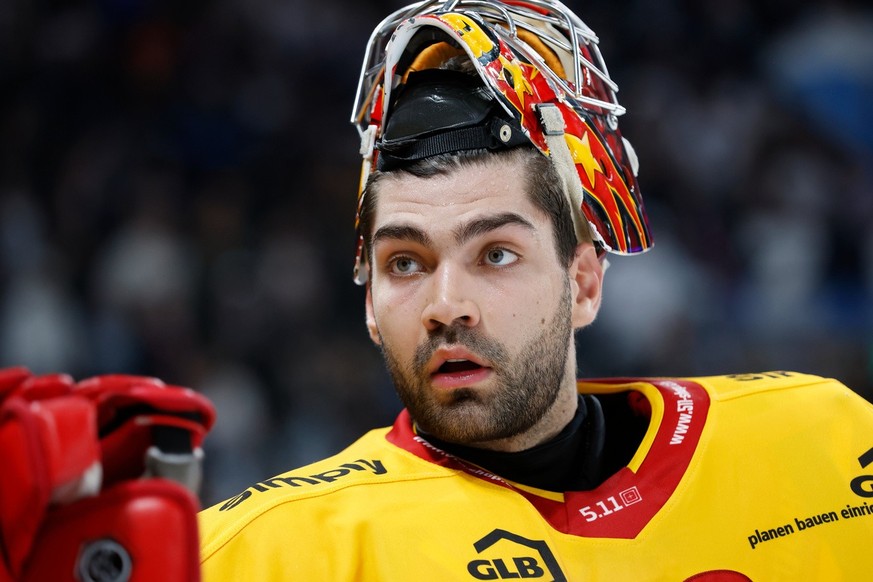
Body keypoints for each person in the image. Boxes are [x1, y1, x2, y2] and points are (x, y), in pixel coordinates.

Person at [197, 1, 873, 580]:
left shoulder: (824, 437)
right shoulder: (264, 553)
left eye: (495, 254)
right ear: (370, 302)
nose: (445, 306)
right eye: (404, 263)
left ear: (582, 282)